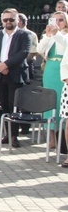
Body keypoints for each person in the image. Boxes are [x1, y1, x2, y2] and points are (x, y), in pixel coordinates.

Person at [0, 8, 31, 147]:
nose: (8, 22)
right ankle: (6, 134)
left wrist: (6, 65)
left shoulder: (24, 35)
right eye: (6, 20)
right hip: (0, 75)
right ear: (2, 21)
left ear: (17, 20)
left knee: (14, 106)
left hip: (15, 74)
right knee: (4, 105)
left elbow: (24, 52)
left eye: (11, 19)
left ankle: (14, 136)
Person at [36, 11, 68, 149]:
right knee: (49, 102)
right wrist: (48, 36)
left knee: (61, 104)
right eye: (55, 20)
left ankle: (62, 141)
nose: (58, 22)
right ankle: (51, 139)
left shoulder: (65, 35)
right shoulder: (51, 34)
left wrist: (56, 34)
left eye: (61, 20)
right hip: (50, 69)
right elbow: (39, 49)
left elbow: (65, 44)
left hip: (62, 71)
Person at [18, 13, 39, 83]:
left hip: (27, 64)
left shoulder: (31, 35)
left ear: (20, 21)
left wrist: (22, 62)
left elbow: (33, 52)